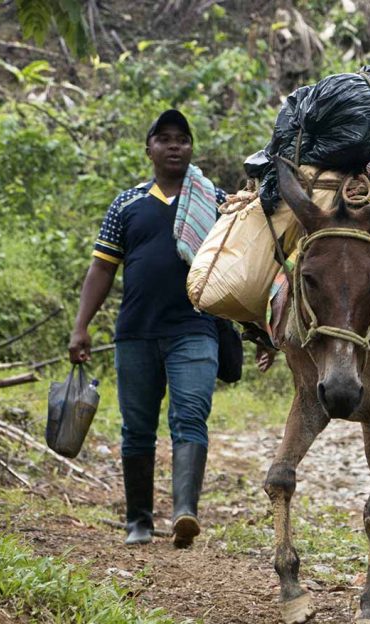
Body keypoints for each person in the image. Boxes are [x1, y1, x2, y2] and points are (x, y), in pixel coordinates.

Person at [68, 109, 228, 548]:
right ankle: (138, 520)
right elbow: (102, 268)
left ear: (192, 148)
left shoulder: (216, 201)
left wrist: (261, 329)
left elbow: (243, 264)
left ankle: (184, 513)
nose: (175, 145)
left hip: (195, 329)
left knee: (190, 415)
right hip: (135, 333)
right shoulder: (127, 203)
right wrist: (81, 327)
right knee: (137, 427)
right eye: (165, 138)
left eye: (183, 138)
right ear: (149, 149)